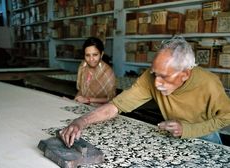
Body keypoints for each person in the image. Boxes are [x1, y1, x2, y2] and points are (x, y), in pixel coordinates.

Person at [60, 35, 230, 147]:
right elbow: (116, 105)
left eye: (164, 77)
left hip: (206, 139)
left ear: (185, 74)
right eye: (154, 74)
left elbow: (226, 117)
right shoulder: (150, 78)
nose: (156, 82)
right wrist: (81, 121)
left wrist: (187, 130)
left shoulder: (209, 83)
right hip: (174, 136)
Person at [74, 37, 116, 105]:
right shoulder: (83, 66)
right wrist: (74, 100)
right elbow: (81, 90)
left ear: (101, 54)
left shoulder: (107, 72)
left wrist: (88, 100)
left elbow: (111, 99)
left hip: (101, 109)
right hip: (82, 105)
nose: (91, 59)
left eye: (95, 55)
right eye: (87, 55)